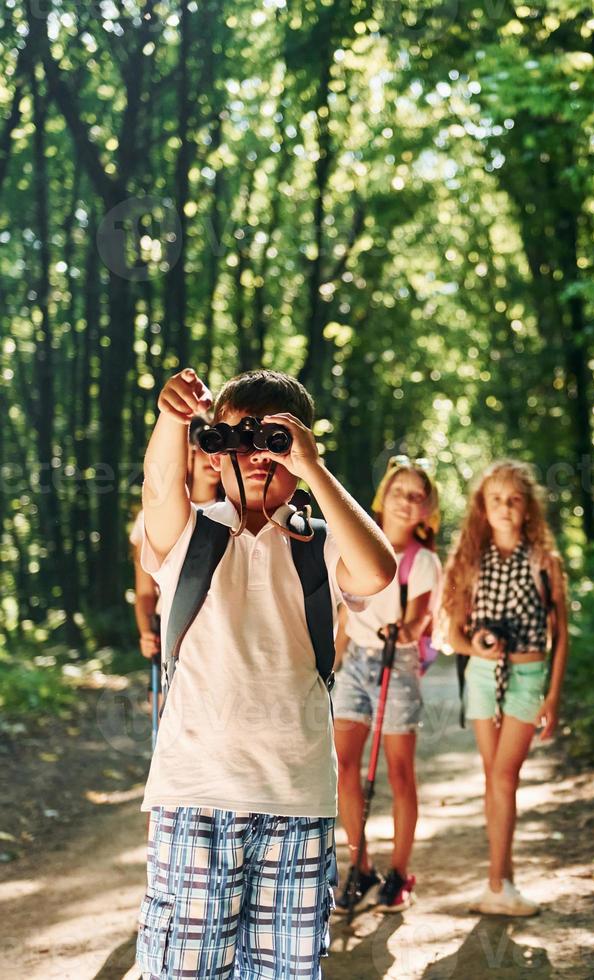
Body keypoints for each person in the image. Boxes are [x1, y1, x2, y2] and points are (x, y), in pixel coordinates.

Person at [135, 367, 396, 979]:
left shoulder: (319, 543)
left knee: (286, 969)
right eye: (239, 440)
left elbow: (379, 571)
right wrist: (173, 420)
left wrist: (312, 469)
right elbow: (159, 486)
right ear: (215, 450)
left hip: (296, 800)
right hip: (196, 794)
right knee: (185, 968)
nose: (257, 456)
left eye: (274, 442)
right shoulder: (188, 538)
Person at [441, 459, 568, 916]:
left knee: (503, 776)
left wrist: (552, 695)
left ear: (528, 507)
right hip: (481, 675)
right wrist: (476, 644)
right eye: (495, 499)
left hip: (527, 678)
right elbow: (453, 635)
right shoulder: (470, 562)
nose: (505, 507)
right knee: (496, 780)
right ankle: (500, 882)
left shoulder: (544, 562)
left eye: (514, 499)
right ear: (482, 507)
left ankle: (499, 881)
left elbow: (561, 633)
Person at [332, 456, 442, 914]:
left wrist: (406, 631)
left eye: (417, 496)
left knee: (398, 772)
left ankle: (399, 873)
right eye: (400, 492)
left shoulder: (423, 561)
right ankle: (361, 865)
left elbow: (418, 620)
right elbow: (344, 612)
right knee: (345, 766)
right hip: (356, 661)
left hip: (396, 665)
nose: (407, 501)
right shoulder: (355, 542)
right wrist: (329, 662)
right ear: (384, 496)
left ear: (426, 509)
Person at [130, 416, 222, 672]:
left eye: (219, 448)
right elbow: (145, 592)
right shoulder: (150, 518)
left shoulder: (238, 515)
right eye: (204, 447)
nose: (211, 458)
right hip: (170, 630)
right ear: (188, 452)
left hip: (220, 634)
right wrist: (146, 633)